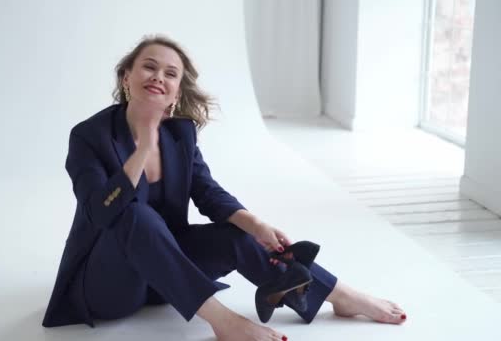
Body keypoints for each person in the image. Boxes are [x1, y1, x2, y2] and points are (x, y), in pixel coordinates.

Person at [42, 35, 407, 341]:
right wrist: (141, 150)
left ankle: (336, 294)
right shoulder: (89, 136)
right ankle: (223, 321)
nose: (158, 77)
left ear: (175, 94)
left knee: (238, 234)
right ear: (126, 77)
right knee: (134, 213)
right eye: (149, 67)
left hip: (163, 279)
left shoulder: (180, 133)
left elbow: (208, 193)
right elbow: (101, 211)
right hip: (108, 287)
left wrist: (256, 225)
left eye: (171, 74)